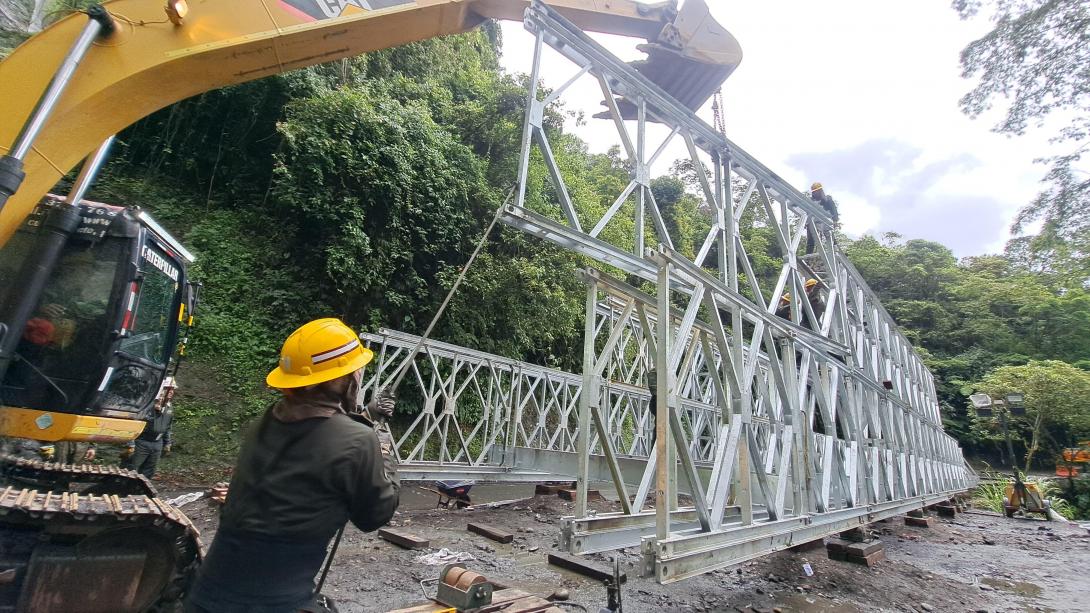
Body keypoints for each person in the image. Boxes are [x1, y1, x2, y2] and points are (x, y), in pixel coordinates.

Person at [185, 318, 399, 613]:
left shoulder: (267, 421)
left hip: (206, 594)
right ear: (340, 379)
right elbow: (375, 515)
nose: (360, 374)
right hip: (273, 603)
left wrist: (367, 416)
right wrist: (383, 443)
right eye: (355, 369)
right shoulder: (357, 441)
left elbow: (318, 435)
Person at [121, 376, 176, 478]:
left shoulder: (169, 407)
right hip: (141, 442)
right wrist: (130, 444)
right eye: (168, 389)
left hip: (157, 444)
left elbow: (168, 427)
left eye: (173, 389)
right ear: (161, 389)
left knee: (149, 470)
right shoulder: (147, 403)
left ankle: (140, 490)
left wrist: (167, 443)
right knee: (131, 469)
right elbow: (132, 423)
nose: (171, 392)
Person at [806, 182, 840, 254]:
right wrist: (806, 222)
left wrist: (835, 221)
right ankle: (808, 257)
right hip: (814, 221)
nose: (815, 193)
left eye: (817, 191)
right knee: (811, 240)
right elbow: (807, 212)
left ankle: (835, 249)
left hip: (825, 221)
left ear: (820, 191)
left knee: (829, 235)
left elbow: (833, 210)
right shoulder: (811, 201)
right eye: (814, 192)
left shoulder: (827, 200)